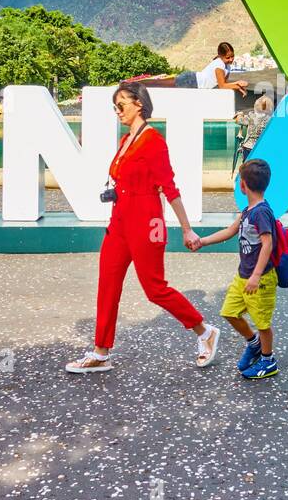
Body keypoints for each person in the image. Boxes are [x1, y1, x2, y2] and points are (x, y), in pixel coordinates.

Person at [65, 81, 221, 374]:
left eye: (121, 105)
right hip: (120, 221)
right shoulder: (127, 140)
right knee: (107, 282)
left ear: (139, 103)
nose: (117, 112)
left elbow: (170, 188)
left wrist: (187, 229)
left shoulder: (154, 141)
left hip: (147, 221)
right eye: (114, 107)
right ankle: (101, 352)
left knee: (155, 289)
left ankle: (204, 331)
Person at [189, 159, 280, 380]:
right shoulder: (248, 210)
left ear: (243, 185)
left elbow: (267, 244)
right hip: (243, 276)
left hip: (261, 279)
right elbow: (230, 231)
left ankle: (268, 361)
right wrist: (203, 241)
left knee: (263, 323)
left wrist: (257, 276)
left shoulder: (261, 213)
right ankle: (254, 343)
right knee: (229, 312)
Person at [174, 42, 248, 95]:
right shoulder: (220, 65)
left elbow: (222, 84)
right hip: (190, 81)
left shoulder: (227, 66)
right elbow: (222, 86)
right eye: (228, 57)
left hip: (196, 84)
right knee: (164, 86)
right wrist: (238, 87)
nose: (231, 59)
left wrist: (237, 83)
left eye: (232, 56)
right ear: (220, 56)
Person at [232, 95, 274, 171]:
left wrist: (240, 114)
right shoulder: (271, 119)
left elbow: (238, 120)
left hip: (248, 147)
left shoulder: (251, 116)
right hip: (263, 147)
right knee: (262, 168)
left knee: (247, 168)